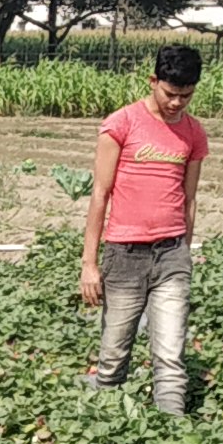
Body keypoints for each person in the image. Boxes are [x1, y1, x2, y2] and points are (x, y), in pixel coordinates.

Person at [77, 42, 207, 415]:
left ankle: (174, 432)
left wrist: (184, 247)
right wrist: (90, 263)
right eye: (170, 93)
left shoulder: (194, 133)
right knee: (115, 350)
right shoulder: (122, 124)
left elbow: (190, 198)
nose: (177, 103)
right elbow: (100, 195)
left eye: (186, 95)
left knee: (170, 352)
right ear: (153, 81)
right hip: (124, 253)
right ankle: (105, 420)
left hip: (171, 255)